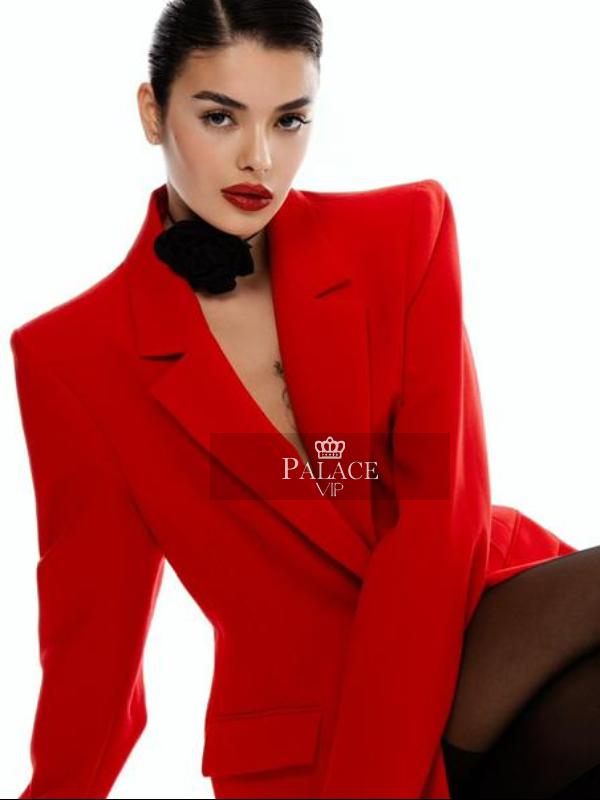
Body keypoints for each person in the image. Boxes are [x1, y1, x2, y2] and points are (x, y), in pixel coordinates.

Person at [9, 1, 600, 798]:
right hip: (305, 727)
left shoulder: (405, 234)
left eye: (289, 120)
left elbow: (439, 509)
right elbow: (94, 640)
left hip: (472, 624)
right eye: (220, 117)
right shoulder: (74, 357)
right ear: (152, 112)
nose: (259, 158)